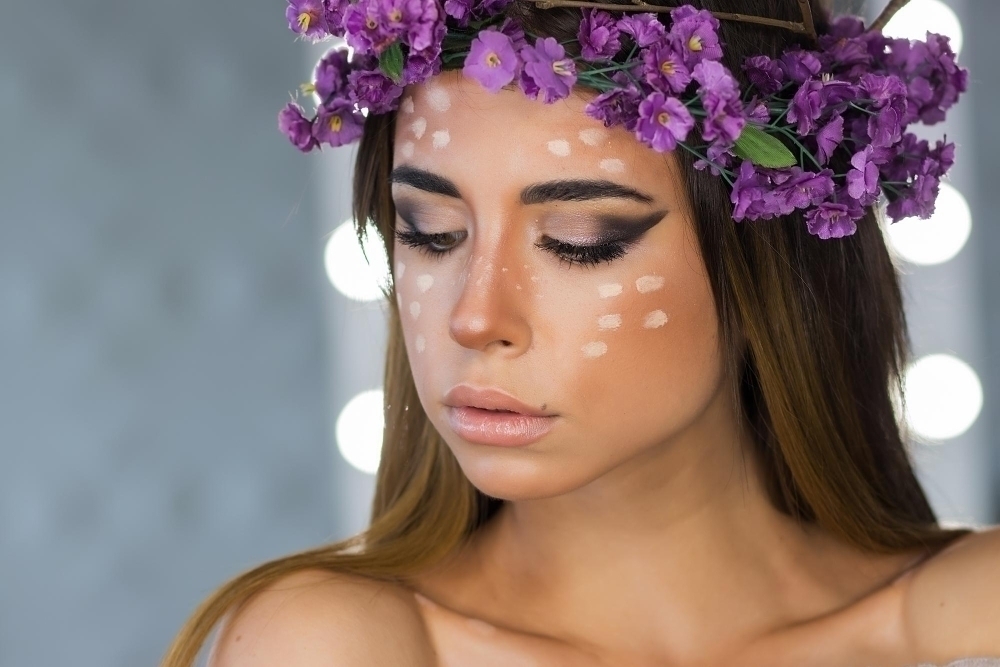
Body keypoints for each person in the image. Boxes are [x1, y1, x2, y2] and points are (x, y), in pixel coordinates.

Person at [162, 0, 1000, 665]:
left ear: (765, 265)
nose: (475, 315)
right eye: (428, 230)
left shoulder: (974, 616)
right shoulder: (338, 647)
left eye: (579, 241)